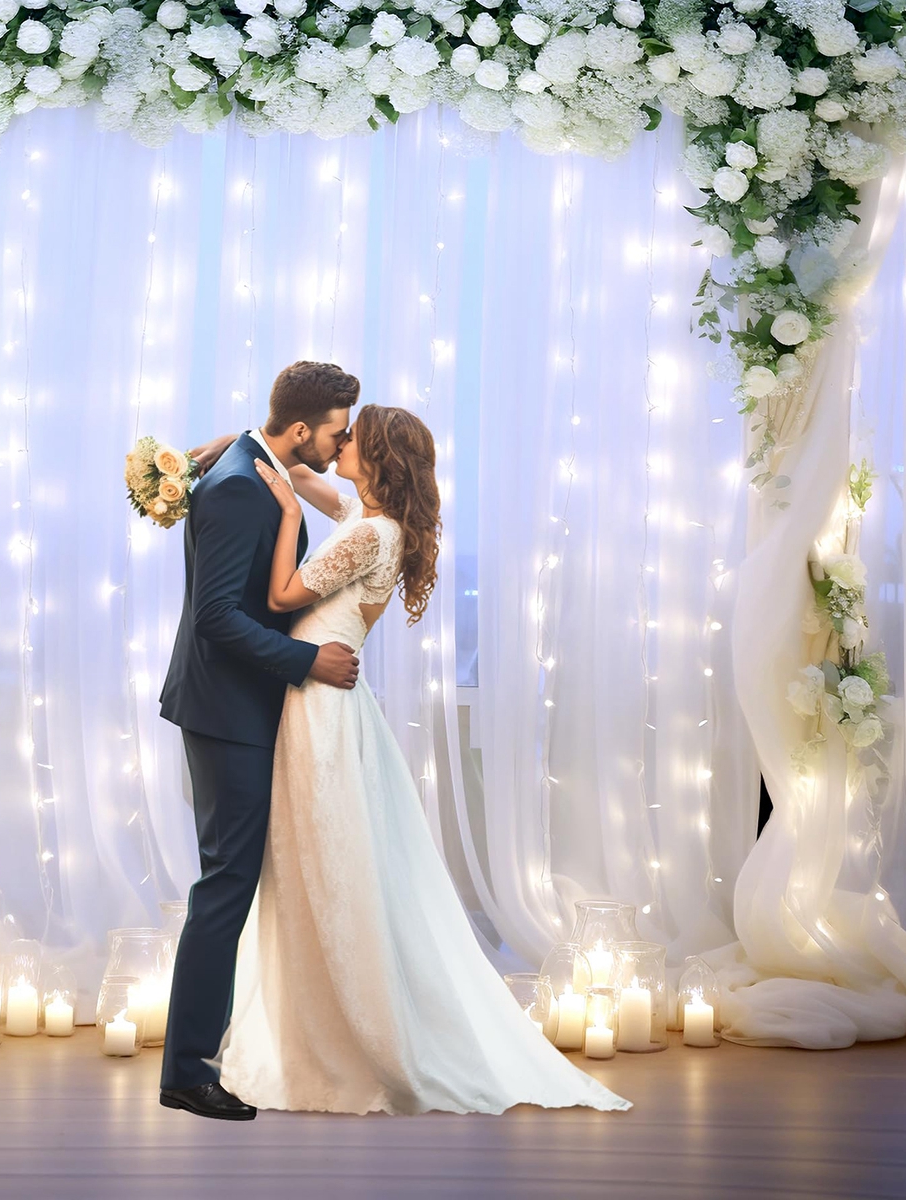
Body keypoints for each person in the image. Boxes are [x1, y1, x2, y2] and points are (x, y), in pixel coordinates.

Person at [211, 403, 632, 1116]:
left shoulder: (371, 532)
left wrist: (286, 518)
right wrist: (243, 447)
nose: (341, 444)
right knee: (325, 859)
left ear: (376, 456)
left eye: (354, 438)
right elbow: (310, 477)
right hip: (327, 700)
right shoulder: (372, 518)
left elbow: (284, 594)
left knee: (325, 861)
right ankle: (321, 1020)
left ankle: (345, 1032)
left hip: (321, 704)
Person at [157, 361, 363, 1121]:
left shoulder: (249, 461)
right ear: (302, 427)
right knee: (225, 890)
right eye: (336, 431)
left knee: (231, 886)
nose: (342, 444)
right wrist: (309, 661)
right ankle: (187, 1072)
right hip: (228, 713)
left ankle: (206, 1057)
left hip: (234, 707)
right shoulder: (244, 484)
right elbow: (218, 616)